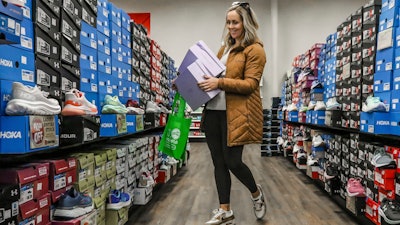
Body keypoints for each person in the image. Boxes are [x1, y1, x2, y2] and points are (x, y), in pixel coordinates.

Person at [197, 2, 267, 225]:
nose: (230, 27)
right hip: (214, 112)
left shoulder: (255, 50)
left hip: (235, 115)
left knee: (233, 162)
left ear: (245, 22)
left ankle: (256, 194)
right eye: (228, 22)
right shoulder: (224, 49)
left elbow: (250, 84)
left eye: (235, 22)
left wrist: (219, 82)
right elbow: (211, 78)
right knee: (218, 162)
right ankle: (225, 211)